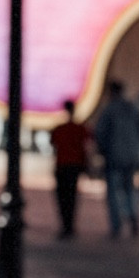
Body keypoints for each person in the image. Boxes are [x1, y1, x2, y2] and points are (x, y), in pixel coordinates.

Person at [93, 79, 139, 239]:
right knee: (129, 188)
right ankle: (132, 215)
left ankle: (116, 225)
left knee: (114, 192)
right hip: (132, 155)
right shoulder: (133, 108)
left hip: (114, 156)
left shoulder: (110, 110)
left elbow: (100, 133)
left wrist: (102, 151)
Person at [50, 100, 91, 239]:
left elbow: (54, 146)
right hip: (73, 166)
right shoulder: (79, 128)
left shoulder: (60, 129)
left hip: (62, 166)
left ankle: (66, 225)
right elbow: (86, 147)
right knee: (71, 197)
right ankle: (69, 225)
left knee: (63, 197)